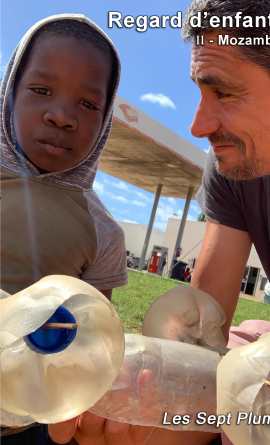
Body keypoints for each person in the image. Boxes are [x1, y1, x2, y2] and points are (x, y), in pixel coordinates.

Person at [49, 0, 270, 443]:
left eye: (225, 92)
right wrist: (154, 416)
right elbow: (201, 346)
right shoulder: (235, 165)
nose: (198, 125)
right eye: (199, 91)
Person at [0, 14, 128, 444]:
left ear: (106, 118)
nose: (61, 116)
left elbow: (92, 343)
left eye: (88, 105)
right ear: (9, 93)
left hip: (29, 420)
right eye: (40, 91)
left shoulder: (102, 231)